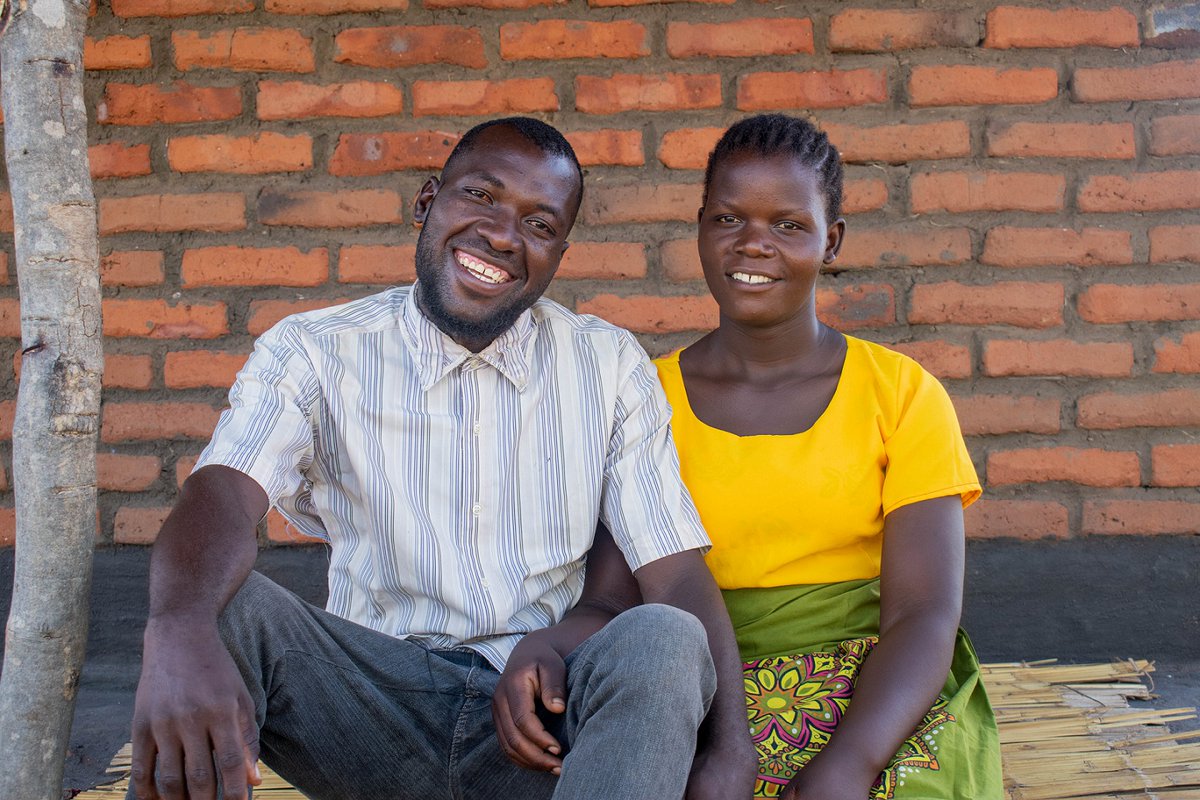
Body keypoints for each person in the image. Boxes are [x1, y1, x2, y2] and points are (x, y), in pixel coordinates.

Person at [128, 117, 756, 800]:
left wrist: (729, 752)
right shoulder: (314, 350)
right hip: (368, 712)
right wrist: (178, 630)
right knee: (215, 607)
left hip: (542, 724)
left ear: (558, 254)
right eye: (481, 197)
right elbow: (224, 491)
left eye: (539, 226)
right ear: (427, 202)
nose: (503, 236)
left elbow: (675, 573)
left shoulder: (605, 365)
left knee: (663, 636)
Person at [495, 114, 1003, 799]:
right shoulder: (644, 399)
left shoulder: (903, 395)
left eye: (789, 225)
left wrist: (849, 764)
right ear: (701, 229)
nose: (754, 244)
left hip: (875, 698)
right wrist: (546, 645)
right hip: (705, 695)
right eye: (729, 219)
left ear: (833, 241)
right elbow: (615, 601)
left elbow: (924, 615)